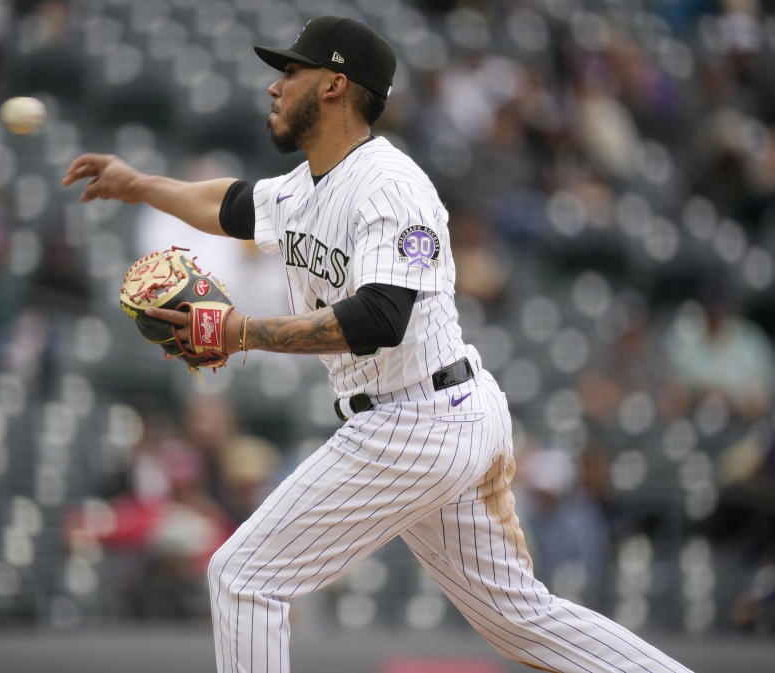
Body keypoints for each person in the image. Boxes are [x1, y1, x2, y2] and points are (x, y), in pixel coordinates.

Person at [63, 16, 694, 673]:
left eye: (290, 72)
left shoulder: (389, 184)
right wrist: (140, 186)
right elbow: (232, 204)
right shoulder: (310, 185)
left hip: (414, 417)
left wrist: (242, 332)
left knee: (242, 576)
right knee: (520, 620)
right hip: (437, 412)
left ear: (334, 86)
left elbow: (379, 316)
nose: (275, 88)